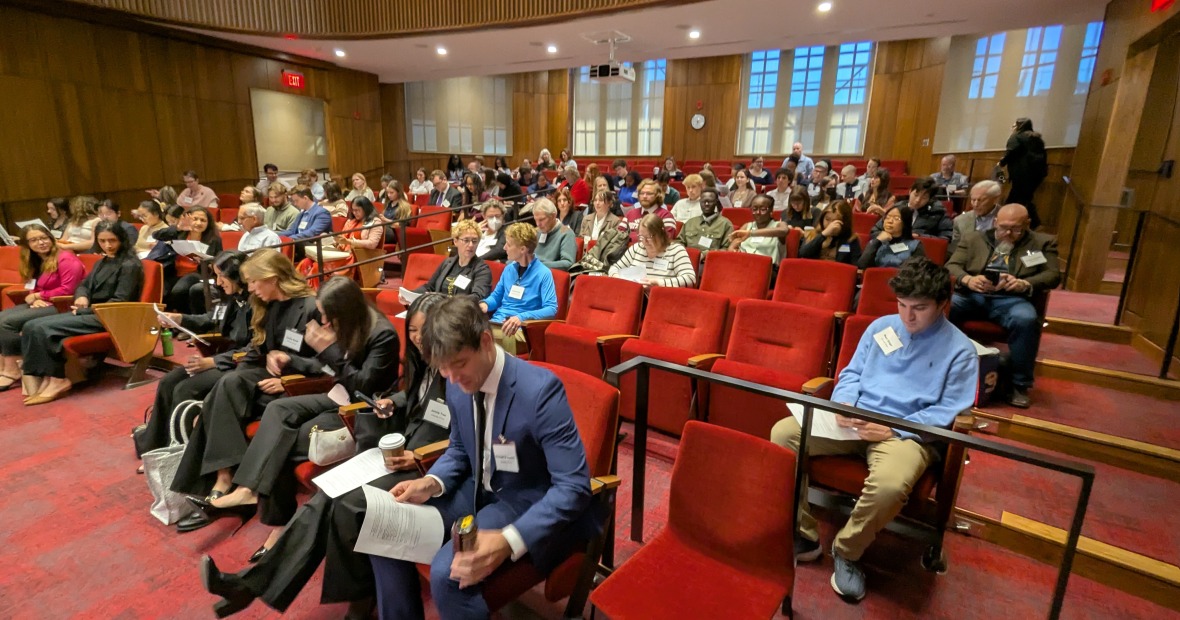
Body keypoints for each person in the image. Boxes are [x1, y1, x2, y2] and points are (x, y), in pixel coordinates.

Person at [198, 293, 452, 618]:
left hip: (426, 464)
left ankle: (355, 604)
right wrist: (395, 402)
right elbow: (414, 394)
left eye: (423, 331)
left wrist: (420, 458)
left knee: (346, 503)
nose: (417, 338)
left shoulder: (450, 362)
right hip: (402, 449)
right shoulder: (423, 359)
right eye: (413, 331)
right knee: (325, 496)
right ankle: (249, 586)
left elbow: (456, 436)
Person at [363, 295, 596, 619]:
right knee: (384, 529)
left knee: (449, 574)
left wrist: (508, 539)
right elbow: (460, 448)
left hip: (522, 499)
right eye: (442, 368)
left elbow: (574, 487)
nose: (452, 378)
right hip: (475, 488)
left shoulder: (540, 391)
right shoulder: (456, 379)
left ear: (486, 341)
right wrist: (431, 482)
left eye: (458, 364)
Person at [771, 257, 977, 603]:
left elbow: (949, 411)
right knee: (783, 434)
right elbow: (850, 373)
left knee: (891, 485)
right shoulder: (881, 328)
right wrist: (846, 403)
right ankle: (804, 535)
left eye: (920, 308)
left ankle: (847, 551)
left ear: (943, 305)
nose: (907, 317)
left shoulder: (961, 351)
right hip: (855, 420)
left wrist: (895, 430)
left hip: (907, 433)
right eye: (902, 305)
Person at [185, 277, 399, 553]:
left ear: (344, 310)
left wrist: (329, 349)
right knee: (277, 410)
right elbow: (324, 367)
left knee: (284, 438)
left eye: (326, 314)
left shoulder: (382, 334)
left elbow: (363, 386)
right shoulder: (347, 323)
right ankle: (248, 491)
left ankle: (275, 525)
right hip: (334, 394)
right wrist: (291, 360)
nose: (322, 320)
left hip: (360, 407)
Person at [169, 250, 321, 527]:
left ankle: (221, 482)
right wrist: (234, 373)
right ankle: (223, 477)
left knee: (224, 389)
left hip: (297, 381)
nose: (249, 288)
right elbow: (258, 350)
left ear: (273, 279)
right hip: (267, 372)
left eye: (254, 282)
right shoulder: (270, 306)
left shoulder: (310, 307)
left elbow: (327, 363)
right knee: (225, 384)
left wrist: (286, 376)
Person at [134, 251, 252, 459]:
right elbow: (211, 318)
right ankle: (152, 447)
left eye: (221, 276)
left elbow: (255, 349)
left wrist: (213, 361)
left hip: (240, 364)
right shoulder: (231, 297)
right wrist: (180, 318)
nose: (217, 282)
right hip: (225, 358)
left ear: (236, 275)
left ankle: (181, 454)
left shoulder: (256, 303)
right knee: (168, 381)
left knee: (185, 389)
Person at [947, 204, 1059, 408]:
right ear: (995, 222)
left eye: (1015, 229)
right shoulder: (974, 238)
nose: (1007, 233)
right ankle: (943, 366)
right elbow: (952, 265)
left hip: (1011, 298)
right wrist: (967, 279)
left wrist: (1026, 283)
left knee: (1026, 319)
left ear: (1027, 224)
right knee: (942, 308)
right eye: (1003, 227)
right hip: (973, 294)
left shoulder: (1041, 242)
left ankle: (1019, 384)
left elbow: (1052, 275)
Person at [19, 221, 143, 405]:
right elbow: (84, 285)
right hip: (91, 312)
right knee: (31, 326)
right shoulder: (104, 260)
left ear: (122, 240)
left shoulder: (130, 265)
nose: (107, 245)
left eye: (112, 241)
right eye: (102, 241)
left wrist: (86, 308)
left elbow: (120, 301)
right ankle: (42, 376)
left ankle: (57, 379)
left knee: (42, 329)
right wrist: (82, 296)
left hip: (111, 316)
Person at [0, 224, 86, 391]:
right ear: (27, 244)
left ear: (50, 238)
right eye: (34, 240)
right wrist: (33, 298)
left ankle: (13, 369)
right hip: (45, 302)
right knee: (1, 317)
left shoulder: (66, 259)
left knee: (8, 323)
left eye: (43, 238)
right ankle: (4, 366)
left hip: (64, 305)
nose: (41, 243)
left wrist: (39, 296)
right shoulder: (36, 259)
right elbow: (33, 284)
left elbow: (69, 289)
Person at [480, 222, 558, 353]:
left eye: (509, 244)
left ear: (522, 249)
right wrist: (485, 304)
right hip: (497, 323)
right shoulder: (509, 269)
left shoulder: (543, 274)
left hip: (520, 330)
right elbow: (496, 297)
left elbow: (551, 309)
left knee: (479, 341)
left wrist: (521, 317)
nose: (504, 248)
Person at [156, 206, 224, 314]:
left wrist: (205, 261)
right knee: (161, 292)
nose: (198, 223)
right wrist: (178, 228)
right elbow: (157, 235)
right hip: (174, 272)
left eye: (203, 220)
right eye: (195, 219)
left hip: (197, 273)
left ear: (208, 223)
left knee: (179, 291)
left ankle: (184, 319)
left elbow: (218, 261)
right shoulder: (180, 233)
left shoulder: (214, 239)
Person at [408, 219, 493, 301]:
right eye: (466, 240)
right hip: (439, 309)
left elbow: (478, 297)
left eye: (474, 241)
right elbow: (430, 287)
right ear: (456, 241)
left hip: (461, 312)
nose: (471, 245)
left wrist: (448, 301)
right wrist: (409, 294)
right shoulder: (447, 263)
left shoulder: (482, 269)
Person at [609, 213, 697, 289]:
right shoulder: (637, 248)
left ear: (660, 233)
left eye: (649, 237)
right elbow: (614, 268)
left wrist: (659, 283)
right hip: (635, 297)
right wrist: (618, 277)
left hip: (662, 299)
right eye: (641, 237)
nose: (645, 241)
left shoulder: (676, 250)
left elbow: (690, 279)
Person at [1000, 118, 1049, 229]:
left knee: (1015, 198)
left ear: (1019, 126)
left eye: (1014, 126)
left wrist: (1002, 162)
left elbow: (1011, 152)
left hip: (1021, 173)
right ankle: (1033, 223)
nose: (1012, 128)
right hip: (1037, 175)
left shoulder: (1016, 137)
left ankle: (1005, 219)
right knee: (1025, 197)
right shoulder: (1036, 138)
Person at [871, 178, 952, 241]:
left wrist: (921, 237)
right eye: (916, 195)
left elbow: (947, 237)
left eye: (924, 197)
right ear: (910, 191)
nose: (917, 200)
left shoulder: (938, 212)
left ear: (929, 199)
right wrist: (885, 235)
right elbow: (874, 231)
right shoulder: (897, 208)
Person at [858, 205, 926, 269]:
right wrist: (877, 241)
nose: (890, 221)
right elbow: (861, 265)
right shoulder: (877, 241)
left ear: (905, 223)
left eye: (896, 218)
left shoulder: (915, 245)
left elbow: (917, 272)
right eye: (887, 217)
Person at [279, 185, 333, 261]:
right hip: (298, 244)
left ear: (305, 198)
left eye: (296, 200)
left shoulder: (322, 213)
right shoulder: (301, 213)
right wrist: (274, 235)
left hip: (313, 245)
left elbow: (312, 233)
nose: (294, 204)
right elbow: (291, 231)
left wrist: (289, 239)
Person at [799, 200, 862, 265]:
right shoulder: (813, 234)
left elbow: (856, 266)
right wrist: (823, 235)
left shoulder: (851, 239)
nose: (830, 225)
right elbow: (803, 254)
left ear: (844, 222)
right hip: (814, 271)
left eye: (835, 221)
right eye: (827, 219)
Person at [728, 194, 786, 263]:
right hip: (744, 265)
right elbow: (732, 248)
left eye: (763, 209)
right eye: (754, 209)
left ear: (771, 211)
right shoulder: (747, 226)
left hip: (768, 269)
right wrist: (733, 250)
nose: (758, 212)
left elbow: (784, 231)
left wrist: (751, 233)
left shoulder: (778, 225)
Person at [950, 180, 1003, 256]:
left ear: (995, 199)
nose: (975, 204)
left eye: (981, 200)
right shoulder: (960, 220)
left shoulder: (1009, 219)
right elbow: (955, 250)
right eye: (973, 200)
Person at [676, 187, 733, 257]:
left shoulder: (725, 224)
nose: (706, 204)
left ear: (716, 202)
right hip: (687, 259)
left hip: (710, 262)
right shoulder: (690, 222)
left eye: (710, 201)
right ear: (700, 202)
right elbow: (679, 242)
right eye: (703, 201)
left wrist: (705, 255)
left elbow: (726, 249)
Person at [532, 198, 577, 271]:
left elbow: (568, 263)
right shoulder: (535, 232)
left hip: (551, 277)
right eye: (535, 220)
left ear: (553, 216)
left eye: (541, 219)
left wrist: (536, 265)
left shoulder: (567, 233)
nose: (538, 224)